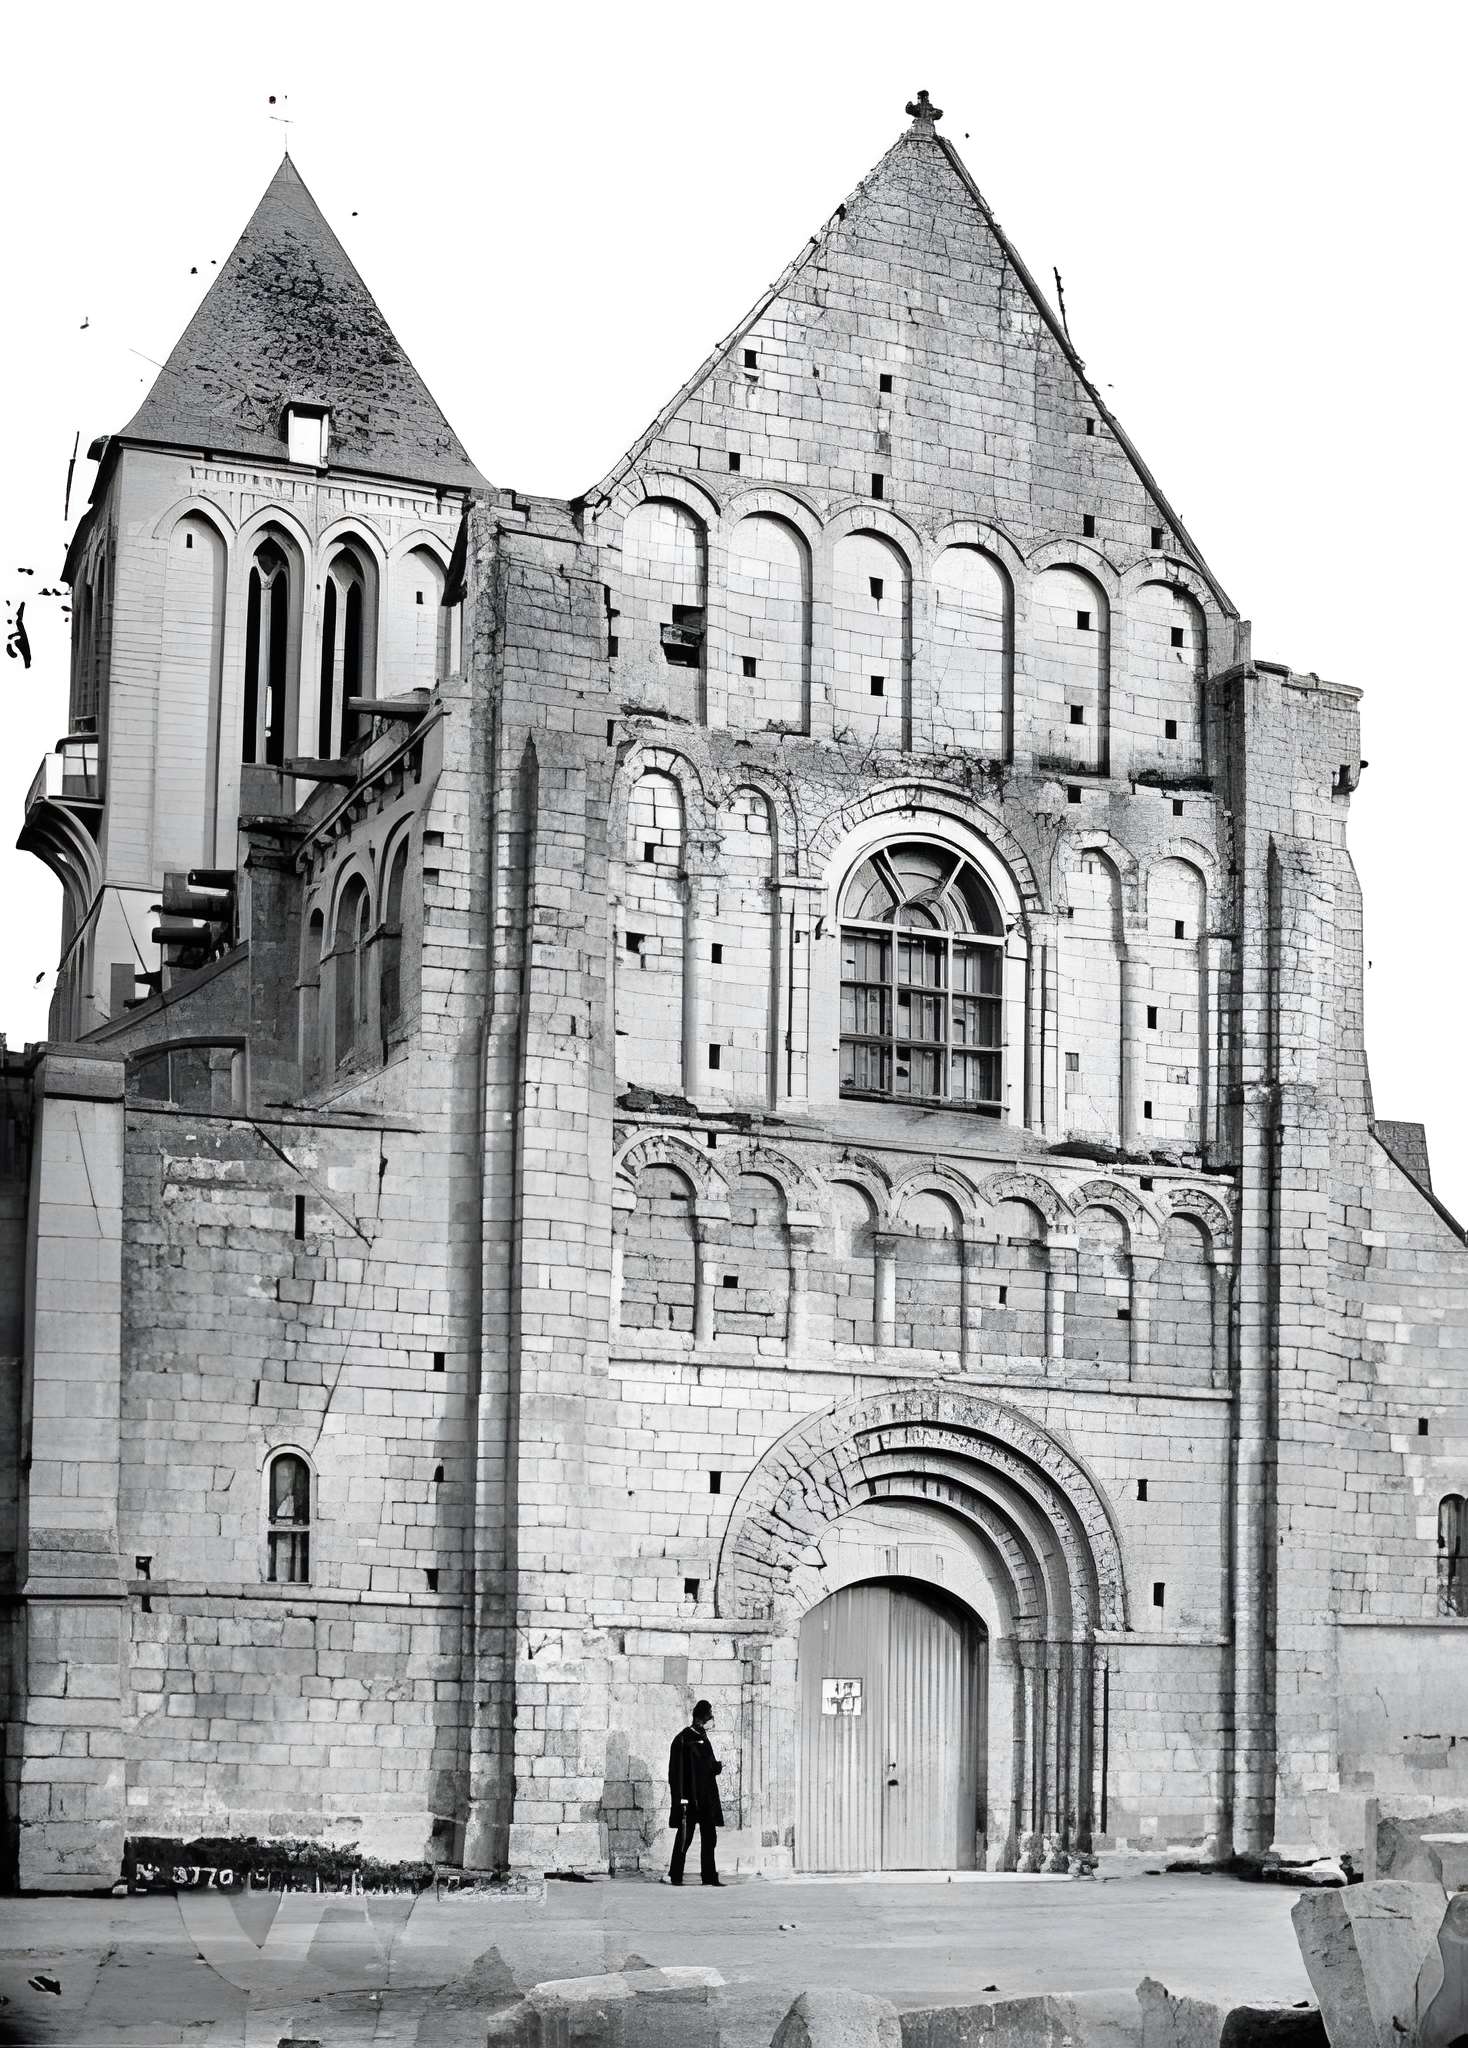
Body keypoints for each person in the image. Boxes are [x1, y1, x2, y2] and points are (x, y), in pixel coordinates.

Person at [665, 1698, 724, 1885]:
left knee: (710, 1838)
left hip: (705, 1799)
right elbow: (676, 1773)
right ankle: (675, 1875)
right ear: (701, 1718)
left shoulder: (704, 1739)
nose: (711, 1719)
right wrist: (680, 1799)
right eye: (710, 1716)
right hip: (689, 1800)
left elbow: (707, 1767)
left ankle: (709, 1877)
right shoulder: (682, 1739)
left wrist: (716, 1767)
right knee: (684, 1838)